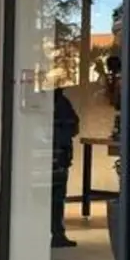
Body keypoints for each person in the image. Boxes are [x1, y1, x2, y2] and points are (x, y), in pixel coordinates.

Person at [51, 86, 80, 248]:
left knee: (54, 197)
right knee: (57, 197)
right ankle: (57, 233)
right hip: (59, 157)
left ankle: (56, 233)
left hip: (55, 156)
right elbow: (73, 127)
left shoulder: (60, 103)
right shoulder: (62, 103)